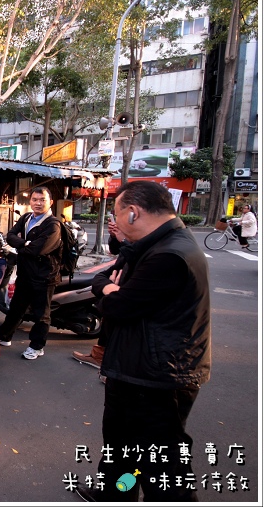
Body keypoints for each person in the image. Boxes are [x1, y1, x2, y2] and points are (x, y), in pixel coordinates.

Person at [77, 180, 211, 502]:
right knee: (122, 448)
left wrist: (110, 291)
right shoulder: (158, 243)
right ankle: (113, 494)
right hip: (140, 368)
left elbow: (118, 305)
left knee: (161, 463)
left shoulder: (169, 256)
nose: (116, 222)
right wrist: (109, 287)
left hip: (155, 378)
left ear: (134, 213)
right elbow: (105, 278)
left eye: (118, 214)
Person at [0, 186, 62, 360]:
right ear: (30, 201)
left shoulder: (53, 225)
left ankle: (36, 346)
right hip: (25, 273)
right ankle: (4, 336)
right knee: (16, 308)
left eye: (42, 200)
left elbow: (38, 250)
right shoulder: (26, 218)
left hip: (44, 276)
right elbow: (10, 235)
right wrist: (25, 244)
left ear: (50, 203)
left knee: (41, 314)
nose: (38, 203)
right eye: (35, 200)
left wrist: (22, 245)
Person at [71, 216, 129, 370]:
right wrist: (115, 236)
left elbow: (137, 254)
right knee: (108, 320)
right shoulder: (129, 229)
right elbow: (115, 250)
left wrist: (124, 241)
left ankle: (111, 367)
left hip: (123, 282)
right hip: (116, 274)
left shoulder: (151, 236)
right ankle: (99, 356)